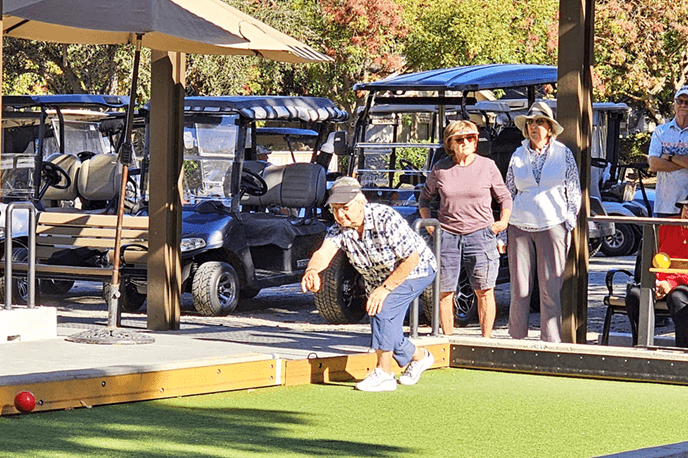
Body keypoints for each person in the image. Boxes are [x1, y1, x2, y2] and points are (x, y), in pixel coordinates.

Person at [301, 177, 437, 392]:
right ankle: (420, 357)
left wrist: (384, 290)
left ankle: (384, 374)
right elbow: (323, 253)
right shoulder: (339, 228)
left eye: (345, 208)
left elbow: (411, 259)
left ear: (361, 202)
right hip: (379, 278)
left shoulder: (385, 218)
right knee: (383, 326)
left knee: (382, 310)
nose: (340, 215)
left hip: (416, 270)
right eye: (334, 209)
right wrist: (311, 271)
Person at [418, 120, 512, 338]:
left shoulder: (487, 166)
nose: (466, 143)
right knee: (444, 291)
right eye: (460, 139)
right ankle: (448, 339)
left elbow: (505, 197)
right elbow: (424, 199)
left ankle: (486, 340)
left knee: (485, 290)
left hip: (481, 234)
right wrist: (430, 224)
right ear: (450, 143)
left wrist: (502, 223)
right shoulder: (441, 168)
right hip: (448, 235)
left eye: (471, 138)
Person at [505, 101, 581, 343]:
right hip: (519, 225)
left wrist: (569, 221)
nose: (534, 127)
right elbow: (508, 191)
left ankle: (551, 340)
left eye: (540, 122)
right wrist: (502, 227)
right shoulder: (517, 154)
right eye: (530, 123)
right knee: (519, 287)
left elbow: (574, 189)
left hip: (553, 224)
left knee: (550, 290)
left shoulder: (563, 153)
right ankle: (516, 338)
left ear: (550, 127)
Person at [625, 197, 688, 347]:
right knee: (635, 296)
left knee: (678, 298)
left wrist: (671, 283)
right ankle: (640, 346)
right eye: (686, 209)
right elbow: (648, 258)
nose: (687, 214)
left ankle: (683, 351)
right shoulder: (665, 225)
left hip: (683, 283)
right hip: (657, 281)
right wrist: (654, 281)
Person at [648, 85, 688, 217]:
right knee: (664, 238)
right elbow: (654, 164)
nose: (683, 105)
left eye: (687, 102)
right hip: (665, 205)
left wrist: (669, 157)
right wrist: (683, 161)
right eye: (680, 101)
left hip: (687, 207)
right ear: (674, 104)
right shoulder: (660, 131)